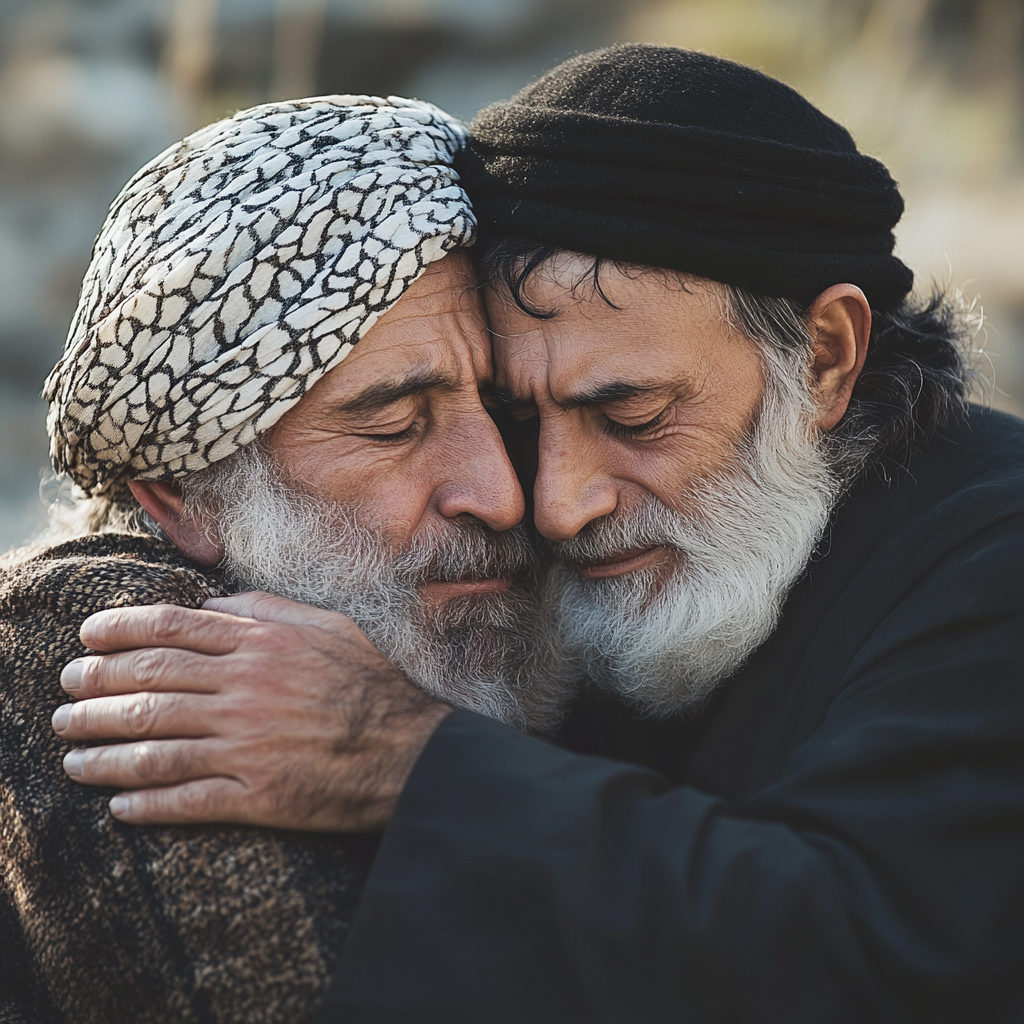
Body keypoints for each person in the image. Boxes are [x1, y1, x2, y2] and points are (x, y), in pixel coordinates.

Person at [53, 47, 1024, 1022]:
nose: (548, 505)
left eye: (633, 413)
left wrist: (402, 756)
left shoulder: (992, 551)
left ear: (823, 355)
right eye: (525, 419)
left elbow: (889, 948)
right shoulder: (615, 564)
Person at [1, 94, 570, 1023]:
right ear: (181, 497)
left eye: (509, 412)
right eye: (393, 425)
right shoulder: (109, 660)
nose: (502, 493)